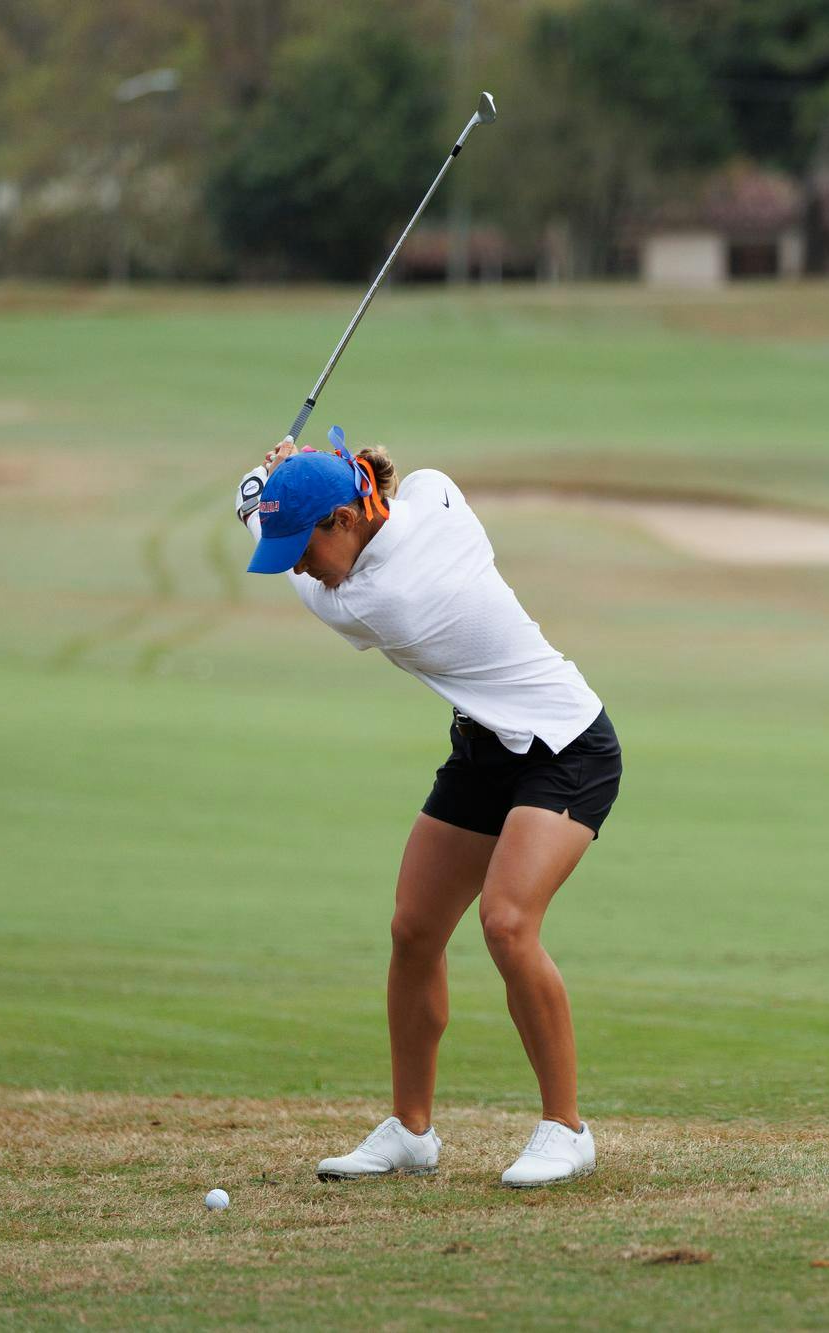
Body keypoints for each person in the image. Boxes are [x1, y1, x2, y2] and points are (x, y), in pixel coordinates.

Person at [234, 429, 622, 1188]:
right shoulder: (436, 492)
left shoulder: (387, 600)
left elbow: (317, 588)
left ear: (343, 521)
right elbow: (375, 500)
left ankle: (567, 1129)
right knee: (414, 928)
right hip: (485, 745)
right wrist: (279, 490)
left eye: (302, 544)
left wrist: (253, 490)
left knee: (508, 922)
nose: (300, 560)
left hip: (567, 747)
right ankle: (412, 1131)